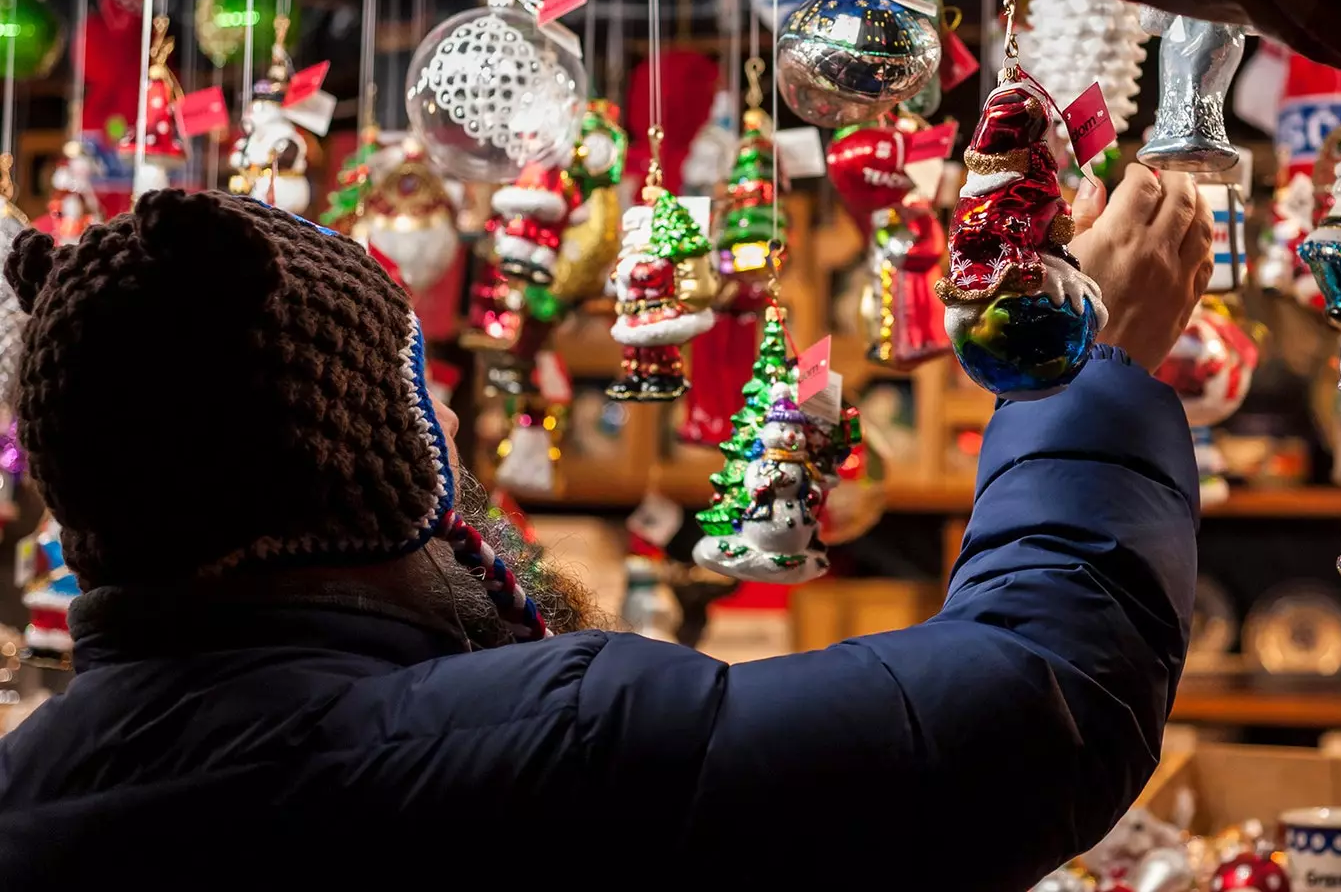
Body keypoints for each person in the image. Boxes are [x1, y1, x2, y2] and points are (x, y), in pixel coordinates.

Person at [0, 167, 1210, 890]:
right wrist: (1082, 368)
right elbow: (1031, 708)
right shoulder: (545, 747)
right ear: (380, 460)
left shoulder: (30, 789)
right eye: (419, 409)